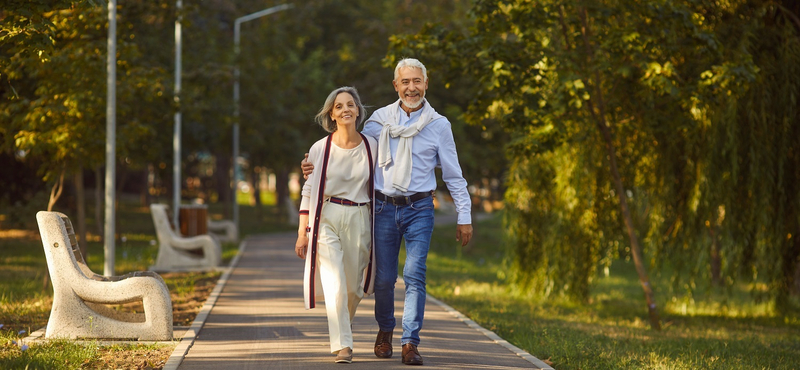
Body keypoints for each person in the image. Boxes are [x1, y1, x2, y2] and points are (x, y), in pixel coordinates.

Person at [303, 58, 473, 366]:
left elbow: (453, 174)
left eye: (417, 81)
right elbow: (353, 152)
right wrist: (313, 166)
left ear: (426, 83)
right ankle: (385, 330)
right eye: (405, 82)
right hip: (382, 207)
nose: (412, 88)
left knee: (415, 274)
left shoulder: (439, 125)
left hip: (420, 207)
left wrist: (464, 216)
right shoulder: (379, 121)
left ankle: (410, 341)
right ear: (396, 86)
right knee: (383, 279)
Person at [295, 86, 378, 364]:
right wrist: (302, 233)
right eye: (339, 106)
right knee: (335, 282)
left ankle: (344, 325)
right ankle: (343, 345)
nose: (345, 110)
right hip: (327, 216)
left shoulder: (371, 146)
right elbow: (308, 191)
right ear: (331, 114)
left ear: (358, 111)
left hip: (360, 216)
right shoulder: (320, 148)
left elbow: (387, 179)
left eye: (350, 105)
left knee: (354, 287)